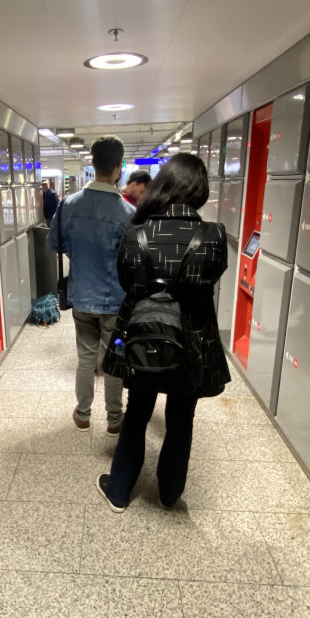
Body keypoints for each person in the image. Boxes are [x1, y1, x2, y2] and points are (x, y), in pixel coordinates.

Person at [96, 152, 230, 511]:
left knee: (137, 412)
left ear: (163, 185)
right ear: (198, 190)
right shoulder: (214, 235)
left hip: (140, 337)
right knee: (182, 418)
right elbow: (210, 281)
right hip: (192, 343)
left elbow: (127, 283)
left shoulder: (134, 232)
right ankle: (170, 494)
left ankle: (120, 490)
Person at [49, 136, 135, 435]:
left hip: (82, 298)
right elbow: (133, 260)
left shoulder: (68, 205)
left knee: (85, 358)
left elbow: (55, 244)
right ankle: (114, 420)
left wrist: (80, 253)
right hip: (115, 302)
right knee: (114, 359)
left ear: (92, 164)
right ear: (119, 168)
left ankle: (83, 414)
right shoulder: (127, 214)